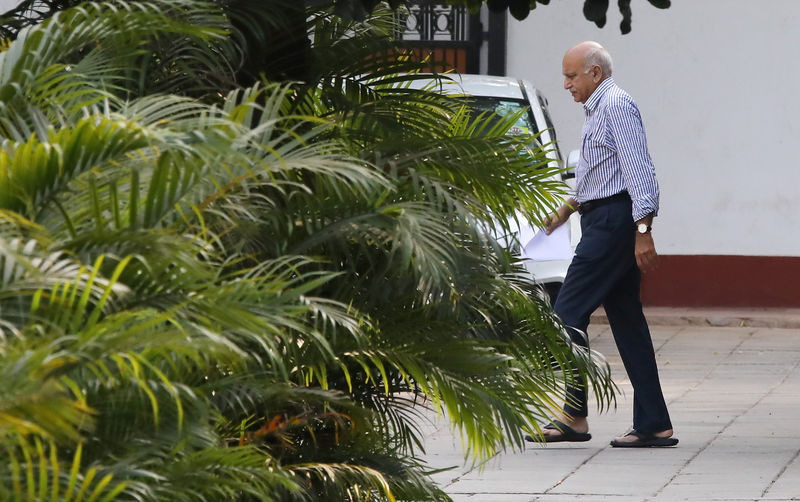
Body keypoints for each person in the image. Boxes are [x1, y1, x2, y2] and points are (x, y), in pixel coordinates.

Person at [528, 41, 677, 447]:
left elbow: (639, 171)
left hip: (613, 224)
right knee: (628, 323)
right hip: (605, 217)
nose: (565, 84)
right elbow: (603, 172)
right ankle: (654, 423)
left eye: (572, 75)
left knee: (566, 312)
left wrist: (643, 232)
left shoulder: (616, 106)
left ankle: (573, 415)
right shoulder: (598, 108)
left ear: (595, 72)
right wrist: (568, 208)